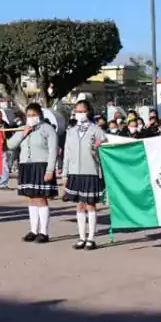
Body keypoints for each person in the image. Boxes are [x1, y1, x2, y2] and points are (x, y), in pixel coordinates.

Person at [7, 103, 59, 244]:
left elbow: (53, 150)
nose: (31, 118)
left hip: (41, 165)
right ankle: (33, 230)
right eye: (28, 115)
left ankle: (44, 232)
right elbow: (10, 144)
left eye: (33, 115)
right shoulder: (23, 129)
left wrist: (50, 170)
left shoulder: (47, 129)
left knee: (41, 198)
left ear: (40, 115)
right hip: (26, 165)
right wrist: (23, 134)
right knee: (30, 197)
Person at [62, 100, 107, 250]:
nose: (79, 114)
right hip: (75, 172)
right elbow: (67, 155)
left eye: (82, 111)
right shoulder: (71, 131)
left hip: (91, 171)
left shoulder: (96, 130)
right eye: (77, 111)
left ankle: (91, 238)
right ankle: (81, 237)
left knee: (90, 205)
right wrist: (64, 174)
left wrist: (101, 146)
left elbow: (107, 148)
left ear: (89, 112)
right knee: (80, 205)